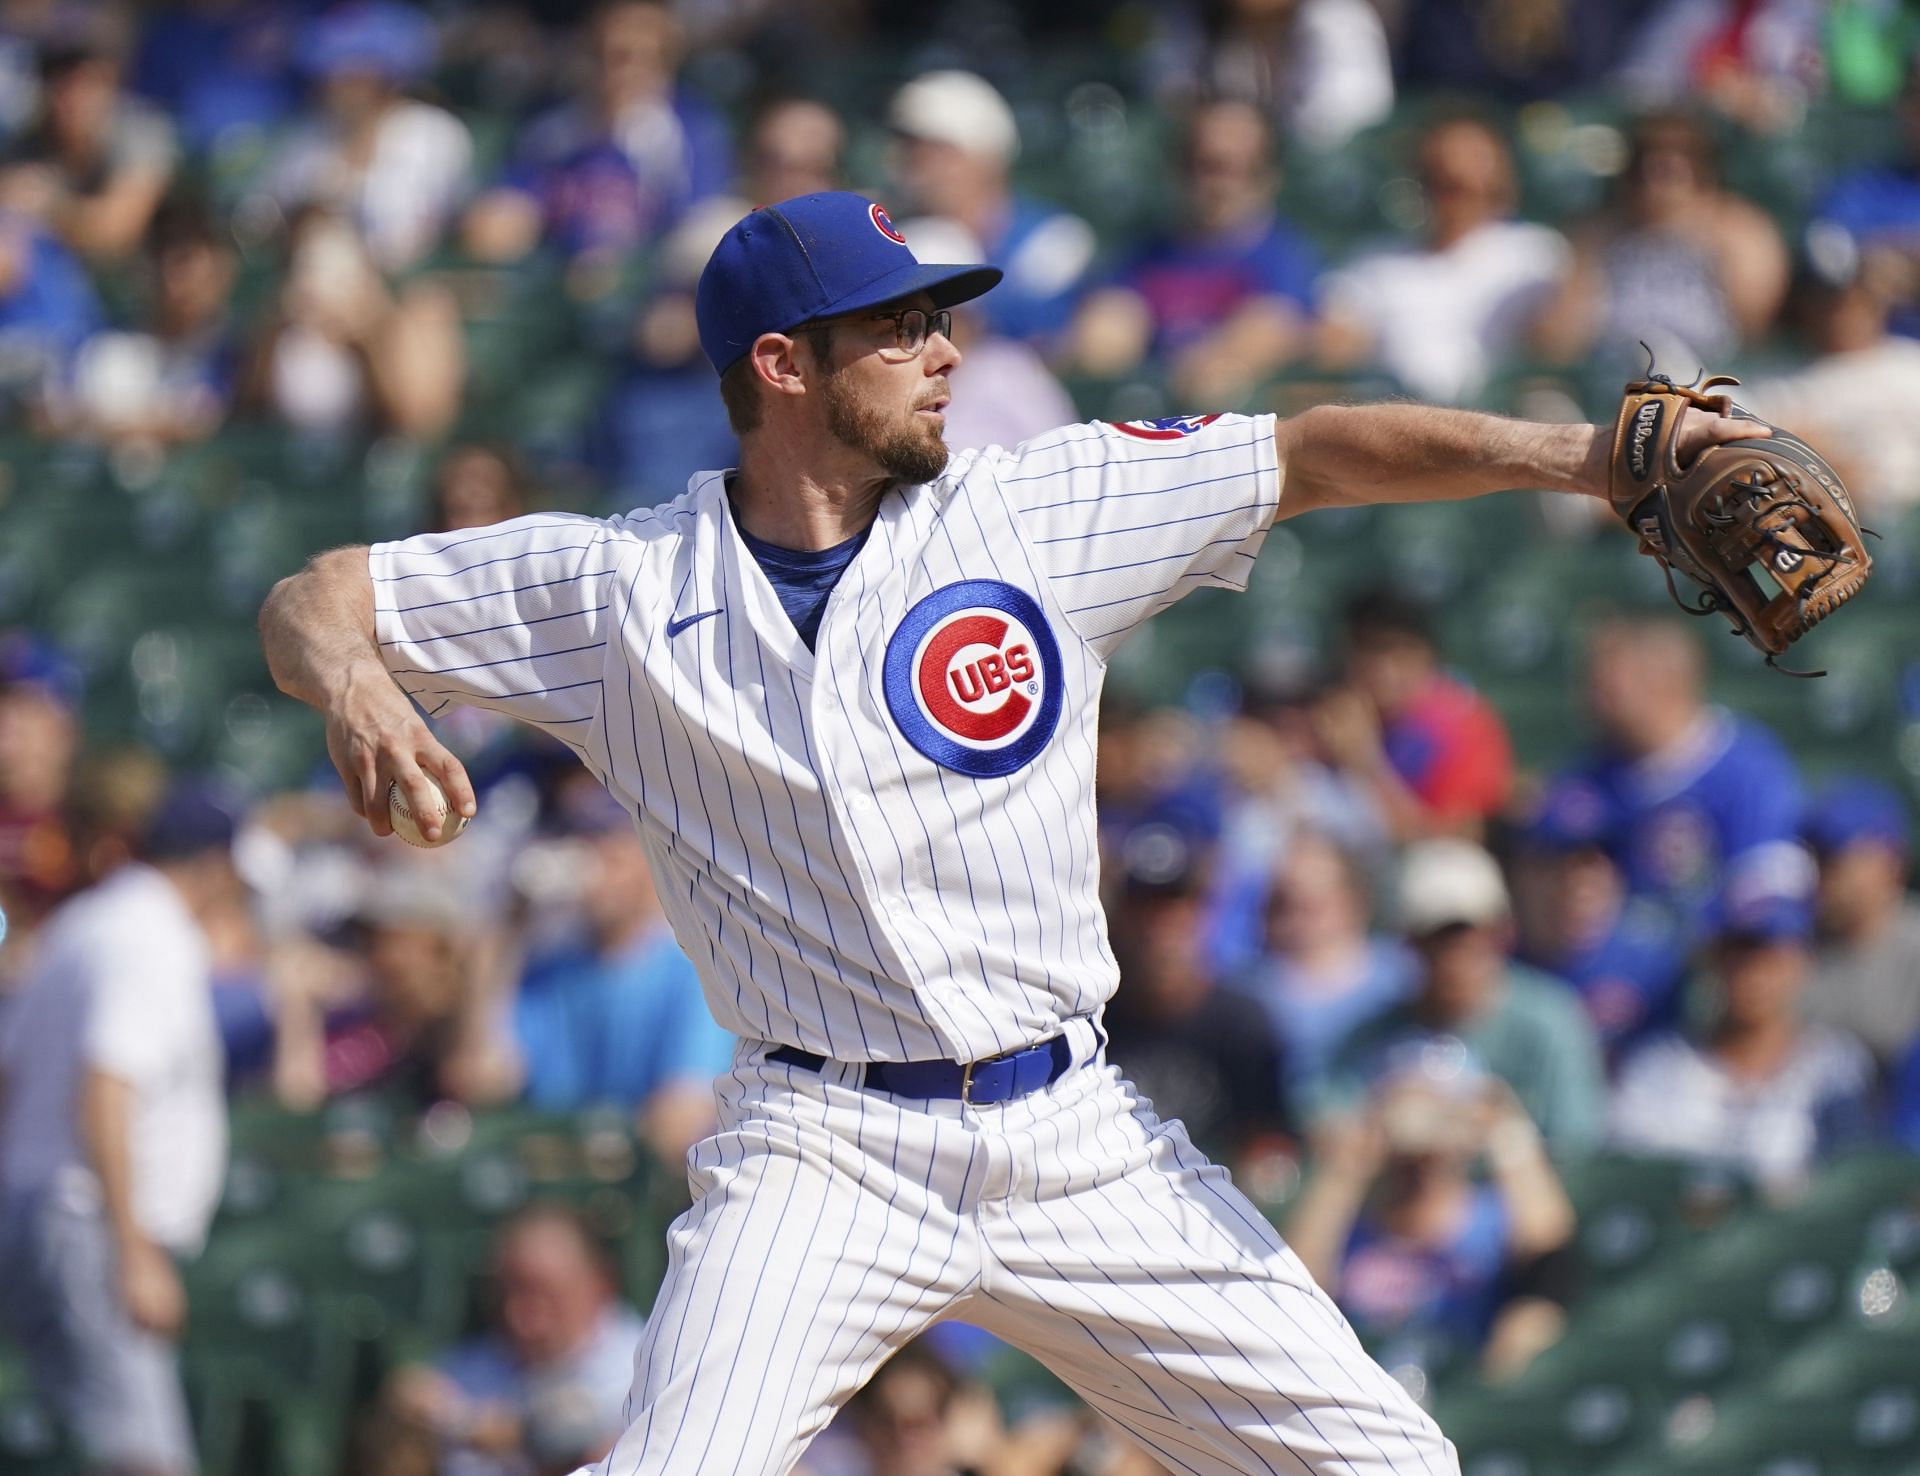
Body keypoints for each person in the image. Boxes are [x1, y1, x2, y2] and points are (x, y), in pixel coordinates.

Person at [260, 186, 1762, 1476]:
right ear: (782, 366)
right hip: (824, 1146)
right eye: (899, 330)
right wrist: (353, 688)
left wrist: (1583, 456)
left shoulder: (1035, 511)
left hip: (1075, 1133)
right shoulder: (613, 589)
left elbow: (1312, 455)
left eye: (939, 319)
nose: (945, 354)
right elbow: (313, 596)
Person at [0, 781, 235, 1476]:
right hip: (89, 1226)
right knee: (142, 1460)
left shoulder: (82, 922)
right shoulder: (150, 934)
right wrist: (133, 1251)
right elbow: (105, 1088)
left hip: (40, 1214)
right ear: (215, 866)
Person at [1286, 1056, 1576, 1385]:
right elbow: (1294, 1294)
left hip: (1465, 1384)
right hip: (1363, 1387)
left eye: (1435, 1100)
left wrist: (1506, 1133)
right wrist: (1345, 1169)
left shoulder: (1494, 1217)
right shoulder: (1352, 1228)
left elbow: (1551, 1258)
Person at [1315, 838, 1608, 1152]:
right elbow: (1325, 1118)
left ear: (1501, 933)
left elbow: (1577, 1143)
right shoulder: (1373, 1034)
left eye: (1465, 934)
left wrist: (1501, 1131)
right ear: (1411, 943)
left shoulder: (1550, 1022)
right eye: (1436, 936)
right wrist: (1384, 1120)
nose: (1452, 954)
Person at [512, 776, 736, 1163]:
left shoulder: (696, 968)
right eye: (581, 840)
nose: (592, 859)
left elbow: (679, 1123)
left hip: (648, 1197)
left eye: (608, 841)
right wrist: (508, 923)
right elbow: (479, 1075)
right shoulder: (551, 971)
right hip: (559, 1189)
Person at [1551, 613, 1809, 941]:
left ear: (1664, 681)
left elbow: (1766, 891)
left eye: (1608, 685)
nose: (1593, 699)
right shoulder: (1586, 775)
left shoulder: (1747, 768)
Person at [1608, 890, 1877, 1195]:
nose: (1754, 973)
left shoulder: (1838, 1067)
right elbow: (1630, 1186)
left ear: (1802, 961)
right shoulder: (1655, 1070)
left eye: (1771, 955)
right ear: (1712, 961)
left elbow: (1853, 1188)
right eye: (1738, 954)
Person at [1067, 98, 1318, 409]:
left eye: (1240, 168)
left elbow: (1268, 332)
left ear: (1269, 176)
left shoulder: (1287, 257)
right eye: (1204, 165)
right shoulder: (1145, 252)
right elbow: (1103, 338)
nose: (1219, 183)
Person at [373, 1203, 647, 1476]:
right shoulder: (475, 1363)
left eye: (545, 1296)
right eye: (508, 1293)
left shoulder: (642, 1363)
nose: (520, 1315)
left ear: (600, 1283)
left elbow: (567, 1441)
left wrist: (460, 1422)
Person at [1316, 115, 1568, 403]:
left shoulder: (1535, 252)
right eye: (1440, 180)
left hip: (1506, 420)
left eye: (1463, 182)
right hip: (1397, 426)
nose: (1453, 182)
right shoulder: (1374, 263)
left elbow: (1556, 345)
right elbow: (1333, 354)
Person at [463, 0, 730, 264]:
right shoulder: (551, 124)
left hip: (646, 276)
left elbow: (697, 221)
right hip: (552, 269)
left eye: (628, 57)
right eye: (600, 54)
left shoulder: (688, 128)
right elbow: (511, 199)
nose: (613, 71)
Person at [1532, 111, 1790, 372]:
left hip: (1708, 371)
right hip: (1612, 372)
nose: (1656, 178)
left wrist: (1696, 232)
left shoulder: (1741, 229)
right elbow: (1557, 341)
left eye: (1671, 165)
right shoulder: (1595, 233)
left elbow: (1756, 328)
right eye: (1646, 163)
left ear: (1701, 169)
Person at [1101, 825, 1292, 1171]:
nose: (1160, 927)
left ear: (1202, 914)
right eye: (1145, 909)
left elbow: (1268, 1151)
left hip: (1217, 1197)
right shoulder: (1097, 1020)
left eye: (1175, 906)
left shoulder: (1241, 1023)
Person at [264, 0, 472, 275]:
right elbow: (265, 217)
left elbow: (439, 232)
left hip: (408, 288)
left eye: (355, 73)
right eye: (331, 72)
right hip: (315, 287)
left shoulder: (434, 133)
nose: (338, 83)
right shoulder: (307, 136)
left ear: (389, 75)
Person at [887, 70, 1094, 346]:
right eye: (911, 152)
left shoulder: (1053, 238)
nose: (922, 168)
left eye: (938, 151)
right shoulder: (895, 239)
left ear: (988, 158)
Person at [1233, 829, 1413, 1116]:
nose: (1294, 921)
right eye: (1280, 906)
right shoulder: (1243, 994)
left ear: (1353, 903)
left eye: (1309, 906)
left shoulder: (1404, 979)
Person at [1511, 779, 1688, 1067]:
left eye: (1599, 860)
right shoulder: (1497, 964)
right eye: (1557, 862)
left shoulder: (1656, 966)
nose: (1580, 883)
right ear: (1524, 874)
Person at [1316, 587, 1514, 840]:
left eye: (1396, 651)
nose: (1381, 669)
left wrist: (1364, 762)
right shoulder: (1329, 708)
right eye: (1366, 650)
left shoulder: (1461, 723)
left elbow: (1454, 842)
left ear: (1427, 654)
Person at [1742, 262, 1920, 517]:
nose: (1842, 313)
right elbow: (1755, 456)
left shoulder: (1911, 366)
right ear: (1805, 307)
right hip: (1824, 524)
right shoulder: (1776, 380)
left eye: (1852, 300)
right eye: (1827, 303)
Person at [7, 28, 178, 263]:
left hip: (145, 278)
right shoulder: (27, 140)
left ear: (109, 83)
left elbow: (117, 231)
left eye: (87, 82)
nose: (74, 96)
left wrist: (48, 207)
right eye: (61, 81)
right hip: (62, 277)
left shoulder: (140, 131)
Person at [1800, 778, 1920, 1069]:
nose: (1821, 874)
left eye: (1834, 859)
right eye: (1814, 857)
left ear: (1890, 862)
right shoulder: (1788, 946)